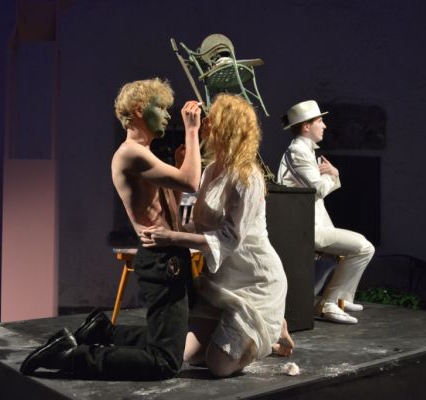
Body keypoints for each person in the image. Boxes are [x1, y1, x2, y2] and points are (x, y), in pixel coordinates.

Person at [20, 78, 202, 380]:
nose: (168, 115)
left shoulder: (145, 153)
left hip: (170, 253)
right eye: (162, 108)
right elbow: (192, 182)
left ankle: (102, 331)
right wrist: (192, 132)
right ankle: (70, 355)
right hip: (161, 258)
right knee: (165, 362)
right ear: (140, 109)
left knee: (172, 344)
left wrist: (183, 161)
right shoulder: (130, 153)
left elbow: (174, 199)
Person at [140, 93, 294, 377]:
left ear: (228, 127)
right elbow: (200, 224)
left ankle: (270, 329)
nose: (206, 122)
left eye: (213, 118)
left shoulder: (246, 177)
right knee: (188, 356)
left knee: (218, 367)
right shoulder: (212, 169)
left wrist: (172, 238)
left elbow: (228, 239)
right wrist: (170, 232)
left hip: (256, 282)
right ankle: (263, 332)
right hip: (223, 284)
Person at [277, 100, 375, 324]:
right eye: (320, 121)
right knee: (364, 248)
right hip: (306, 228)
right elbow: (317, 189)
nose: (325, 126)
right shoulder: (298, 151)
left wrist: (332, 174)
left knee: (339, 256)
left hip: (311, 225)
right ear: (306, 126)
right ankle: (328, 303)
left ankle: (339, 299)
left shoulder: (304, 150)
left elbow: (316, 189)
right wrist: (332, 174)